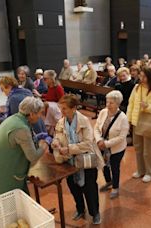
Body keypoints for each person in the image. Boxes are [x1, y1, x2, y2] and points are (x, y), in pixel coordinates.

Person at [51, 94, 104, 225]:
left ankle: (95, 213)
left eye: (64, 108)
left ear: (74, 108)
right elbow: (57, 135)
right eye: (60, 108)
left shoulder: (84, 121)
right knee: (74, 187)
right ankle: (80, 209)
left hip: (86, 160)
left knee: (90, 189)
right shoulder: (61, 121)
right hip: (69, 162)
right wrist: (56, 142)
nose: (61, 111)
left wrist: (69, 148)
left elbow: (88, 144)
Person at [0, 97, 49, 200]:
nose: (40, 116)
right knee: (9, 206)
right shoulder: (21, 129)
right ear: (31, 114)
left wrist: (36, 138)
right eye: (40, 113)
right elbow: (33, 156)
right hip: (5, 172)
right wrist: (45, 144)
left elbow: (20, 141)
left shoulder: (13, 119)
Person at [127, 67, 151, 183]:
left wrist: (148, 107)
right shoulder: (137, 88)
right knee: (138, 148)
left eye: (143, 76)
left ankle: (150, 172)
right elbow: (131, 104)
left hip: (148, 123)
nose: (141, 78)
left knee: (148, 150)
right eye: (140, 76)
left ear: (149, 77)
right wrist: (129, 120)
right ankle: (141, 170)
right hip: (137, 122)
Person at [94, 91, 129, 199]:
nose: (108, 105)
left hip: (116, 149)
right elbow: (96, 127)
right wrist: (99, 140)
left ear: (118, 104)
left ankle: (115, 187)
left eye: (111, 103)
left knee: (114, 167)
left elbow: (122, 137)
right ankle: (109, 182)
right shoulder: (103, 112)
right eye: (107, 102)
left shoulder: (123, 118)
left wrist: (106, 143)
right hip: (101, 145)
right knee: (103, 165)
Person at [33, 70, 65, 135]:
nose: (43, 80)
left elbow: (63, 101)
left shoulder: (58, 87)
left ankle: (45, 126)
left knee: (44, 105)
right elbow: (49, 96)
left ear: (51, 78)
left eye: (45, 79)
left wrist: (49, 103)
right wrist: (40, 95)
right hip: (50, 108)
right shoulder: (50, 86)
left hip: (57, 109)